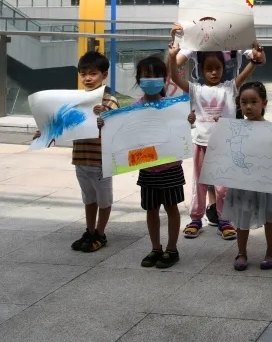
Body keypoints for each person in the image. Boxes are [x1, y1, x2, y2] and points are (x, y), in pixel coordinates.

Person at [168, 41, 263, 240]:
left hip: (224, 145)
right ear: (201, 70)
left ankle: (224, 220)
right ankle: (196, 219)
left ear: (223, 68)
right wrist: (172, 56)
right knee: (200, 184)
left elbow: (246, 73)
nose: (213, 72)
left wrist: (254, 60)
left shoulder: (230, 88)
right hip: (201, 144)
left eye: (217, 68)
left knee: (223, 187)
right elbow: (175, 77)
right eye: (209, 69)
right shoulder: (195, 89)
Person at [35, 52, 120, 253]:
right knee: (88, 198)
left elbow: (117, 125)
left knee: (104, 199)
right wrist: (45, 132)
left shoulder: (110, 101)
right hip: (81, 158)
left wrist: (105, 116)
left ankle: (100, 234)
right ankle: (89, 231)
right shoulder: (75, 101)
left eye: (93, 73)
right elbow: (63, 124)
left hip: (101, 161)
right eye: (83, 74)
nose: (87, 78)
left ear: (104, 75)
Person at [114, 56, 186, 268]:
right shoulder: (133, 109)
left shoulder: (173, 107)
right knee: (151, 209)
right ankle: (156, 248)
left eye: (156, 75)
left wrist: (187, 120)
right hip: (147, 168)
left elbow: (180, 131)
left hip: (171, 168)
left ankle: (172, 249)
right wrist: (105, 124)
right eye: (147, 75)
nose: (151, 79)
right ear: (138, 78)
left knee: (172, 207)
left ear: (164, 79)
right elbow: (123, 134)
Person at [223, 82, 272, 270]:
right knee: (242, 217)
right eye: (244, 102)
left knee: (270, 216)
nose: (248, 107)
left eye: (253, 102)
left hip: (264, 182)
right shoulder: (235, 128)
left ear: (264, 103)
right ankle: (241, 252)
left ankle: (271, 252)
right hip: (242, 182)